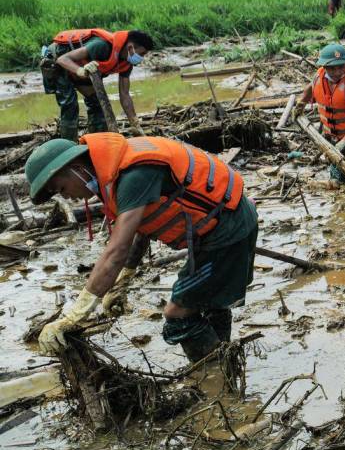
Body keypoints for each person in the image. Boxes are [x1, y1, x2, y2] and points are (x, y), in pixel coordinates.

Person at [25, 134, 257, 363]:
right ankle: (225, 365)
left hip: (227, 231)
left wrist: (75, 315)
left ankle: (214, 376)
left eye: (63, 188)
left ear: (76, 168)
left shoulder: (134, 175)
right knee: (207, 303)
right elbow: (143, 226)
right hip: (222, 224)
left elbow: (116, 250)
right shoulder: (116, 171)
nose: (68, 197)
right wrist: (124, 279)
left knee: (177, 313)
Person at [43, 29, 154, 140]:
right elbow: (63, 59)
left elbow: (125, 95)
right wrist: (80, 71)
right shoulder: (102, 46)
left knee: (97, 103)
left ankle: (97, 141)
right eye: (142, 53)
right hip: (58, 61)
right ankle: (68, 146)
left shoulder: (126, 63)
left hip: (83, 68)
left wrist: (135, 123)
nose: (141, 58)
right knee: (70, 105)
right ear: (130, 48)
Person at [297, 43, 345, 184]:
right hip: (334, 137)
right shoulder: (319, 77)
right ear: (324, 67)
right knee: (337, 182)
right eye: (332, 68)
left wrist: (343, 143)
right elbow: (310, 87)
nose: (338, 71)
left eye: (341, 66)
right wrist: (301, 103)